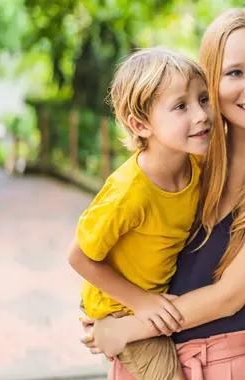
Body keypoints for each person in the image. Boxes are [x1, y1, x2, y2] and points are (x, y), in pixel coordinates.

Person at [80, 8, 245, 379]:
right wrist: (109, 308)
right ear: (209, 80)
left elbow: (231, 296)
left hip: (225, 365)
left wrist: (127, 328)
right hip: (149, 356)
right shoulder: (194, 157)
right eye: (234, 73)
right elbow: (126, 236)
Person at [69, 47, 213, 380]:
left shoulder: (195, 163)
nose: (201, 115)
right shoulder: (129, 191)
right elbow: (78, 256)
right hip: (119, 309)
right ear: (141, 124)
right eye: (181, 106)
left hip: (150, 298)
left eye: (203, 99)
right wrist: (141, 303)